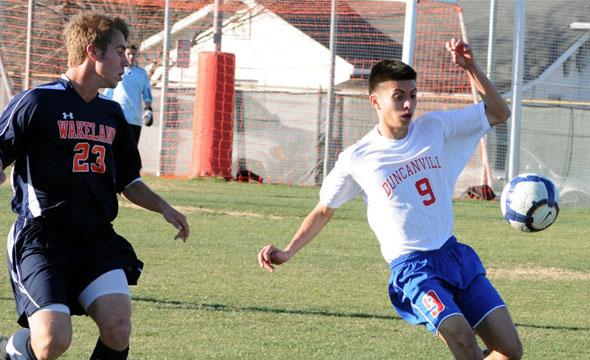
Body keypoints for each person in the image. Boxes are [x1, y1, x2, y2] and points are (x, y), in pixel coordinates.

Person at [258, 38, 523, 360]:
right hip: (413, 269)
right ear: (375, 101)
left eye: (413, 95)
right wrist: (287, 251)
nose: (408, 105)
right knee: (461, 337)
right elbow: (324, 210)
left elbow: (499, 112)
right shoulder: (357, 158)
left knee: (510, 350)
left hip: (453, 255)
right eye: (398, 97)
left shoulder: (434, 126)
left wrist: (471, 68)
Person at [0, 13, 189, 360]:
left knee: (118, 329)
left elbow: (127, 181)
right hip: (42, 239)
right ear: (93, 52)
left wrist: (164, 207)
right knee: (52, 343)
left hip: (95, 239)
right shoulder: (37, 102)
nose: (126, 60)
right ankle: (15, 348)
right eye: (119, 51)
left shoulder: (111, 113)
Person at [103, 44, 153, 144]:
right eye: (128, 54)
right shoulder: (116, 71)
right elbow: (107, 94)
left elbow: (147, 95)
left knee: (131, 155)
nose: (131, 56)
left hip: (134, 120)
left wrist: (148, 110)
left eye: (133, 54)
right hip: (117, 119)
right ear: (124, 55)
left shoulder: (142, 74)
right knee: (113, 153)